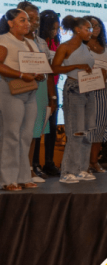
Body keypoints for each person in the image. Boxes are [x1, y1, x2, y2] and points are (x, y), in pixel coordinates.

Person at [51, 15, 97, 184]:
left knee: (87, 131)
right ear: (77, 29)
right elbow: (54, 68)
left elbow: (89, 67)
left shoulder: (87, 47)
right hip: (73, 89)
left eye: (91, 29)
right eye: (88, 28)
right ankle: (67, 171)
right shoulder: (65, 47)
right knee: (75, 131)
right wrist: (76, 66)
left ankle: (81, 169)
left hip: (89, 89)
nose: (91, 32)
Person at [0, 9, 40, 190]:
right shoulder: (4, 40)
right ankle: (7, 180)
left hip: (30, 92)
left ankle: (23, 177)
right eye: (22, 20)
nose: (27, 24)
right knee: (11, 135)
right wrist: (21, 74)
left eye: (28, 20)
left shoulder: (31, 43)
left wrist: (40, 74)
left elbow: (36, 65)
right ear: (10, 23)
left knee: (25, 136)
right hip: (10, 90)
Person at [18, 2, 57, 183]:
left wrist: (52, 96)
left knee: (34, 131)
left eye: (37, 19)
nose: (34, 22)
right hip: (20, 88)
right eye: (29, 18)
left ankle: (29, 170)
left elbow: (48, 72)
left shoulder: (41, 42)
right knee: (18, 132)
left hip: (40, 91)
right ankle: (17, 171)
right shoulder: (12, 39)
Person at [34, 10, 62, 177]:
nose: (55, 31)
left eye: (58, 28)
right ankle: (35, 163)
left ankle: (49, 163)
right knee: (38, 126)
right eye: (53, 28)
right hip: (39, 87)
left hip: (53, 86)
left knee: (51, 126)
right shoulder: (37, 42)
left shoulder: (56, 42)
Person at [86, 16, 107, 173]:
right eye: (91, 25)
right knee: (86, 127)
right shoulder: (81, 47)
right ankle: (83, 162)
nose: (95, 28)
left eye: (98, 25)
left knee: (101, 126)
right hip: (87, 90)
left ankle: (94, 161)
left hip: (104, 90)